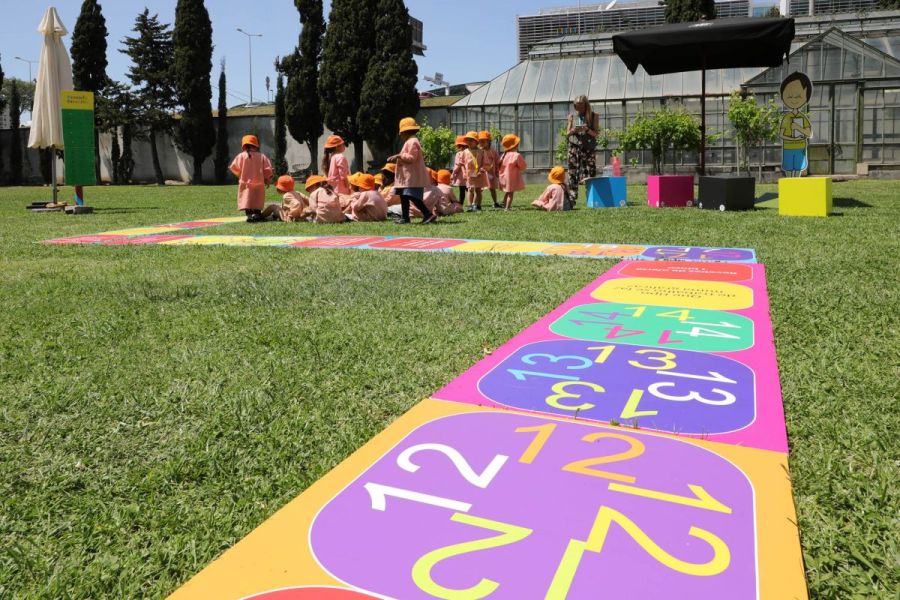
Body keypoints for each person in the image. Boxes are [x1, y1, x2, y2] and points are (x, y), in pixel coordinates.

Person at [386, 118, 436, 224]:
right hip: (406, 178)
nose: (400, 135)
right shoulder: (410, 141)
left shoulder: (413, 142)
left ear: (405, 132)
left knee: (411, 196)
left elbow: (412, 158)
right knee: (404, 196)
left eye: (401, 132)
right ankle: (405, 218)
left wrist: (399, 156)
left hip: (410, 177)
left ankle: (428, 214)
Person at [566, 95, 600, 208]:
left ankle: (593, 198)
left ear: (586, 105)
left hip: (588, 148)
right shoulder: (572, 116)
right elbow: (567, 134)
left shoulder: (594, 116)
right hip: (574, 147)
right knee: (572, 173)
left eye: (582, 107)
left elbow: (596, 134)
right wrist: (573, 130)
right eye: (577, 107)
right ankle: (572, 200)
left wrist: (587, 129)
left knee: (590, 172)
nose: (579, 110)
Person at [229, 134, 273, 222]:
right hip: (259, 183)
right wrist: (267, 179)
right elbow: (267, 169)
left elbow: (234, 167)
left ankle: (249, 215)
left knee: (247, 200)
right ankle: (256, 214)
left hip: (245, 183)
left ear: (244, 145)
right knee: (257, 200)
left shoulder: (241, 156)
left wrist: (240, 174)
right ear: (256, 145)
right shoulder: (261, 156)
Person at [779, 71, 813, 178]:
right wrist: (792, 139)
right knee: (789, 169)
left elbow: (809, 133)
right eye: (789, 96)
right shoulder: (786, 118)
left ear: (806, 97)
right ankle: (789, 188)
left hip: (800, 147)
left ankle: (796, 187)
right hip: (788, 148)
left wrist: (798, 127)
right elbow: (781, 134)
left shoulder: (803, 117)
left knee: (798, 169)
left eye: (798, 96)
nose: (793, 100)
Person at [499, 134, 527, 211]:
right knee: (510, 193)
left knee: (507, 192)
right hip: (511, 178)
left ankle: (504, 205)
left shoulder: (504, 155)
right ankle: (507, 208)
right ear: (515, 145)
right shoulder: (516, 155)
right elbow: (523, 166)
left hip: (504, 177)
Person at [464, 130, 488, 212]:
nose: (469, 142)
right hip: (470, 174)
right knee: (470, 189)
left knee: (478, 190)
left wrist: (482, 170)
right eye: (467, 140)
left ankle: (478, 205)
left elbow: (485, 163)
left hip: (479, 174)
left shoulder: (481, 152)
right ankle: (470, 205)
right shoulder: (465, 152)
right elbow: (462, 163)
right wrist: (464, 172)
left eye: (471, 140)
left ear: (476, 142)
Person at [479, 130, 502, 208]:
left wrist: (496, 172)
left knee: (492, 188)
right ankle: (475, 204)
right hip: (482, 173)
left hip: (491, 173)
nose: (481, 143)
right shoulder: (479, 152)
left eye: (483, 141)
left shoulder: (493, 151)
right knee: (478, 189)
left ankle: (495, 202)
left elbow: (497, 161)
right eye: (480, 141)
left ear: (489, 141)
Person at [450, 135, 469, 203]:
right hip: (467, 174)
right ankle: (472, 202)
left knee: (462, 190)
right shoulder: (468, 152)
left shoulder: (459, 153)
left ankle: (461, 202)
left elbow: (458, 165)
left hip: (461, 176)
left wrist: (453, 173)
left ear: (459, 146)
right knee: (468, 189)